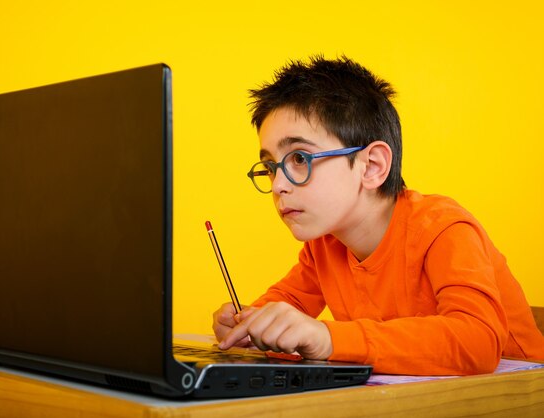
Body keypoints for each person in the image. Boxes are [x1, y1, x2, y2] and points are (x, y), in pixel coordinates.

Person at [213, 55, 544, 375]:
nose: (278, 185)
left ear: (371, 166)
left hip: (515, 398)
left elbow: (477, 343)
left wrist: (329, 338)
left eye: (300, 158)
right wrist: (251, 324)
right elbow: (285, 303)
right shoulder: (325, 246)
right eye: (271, 166)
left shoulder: (442, 228)